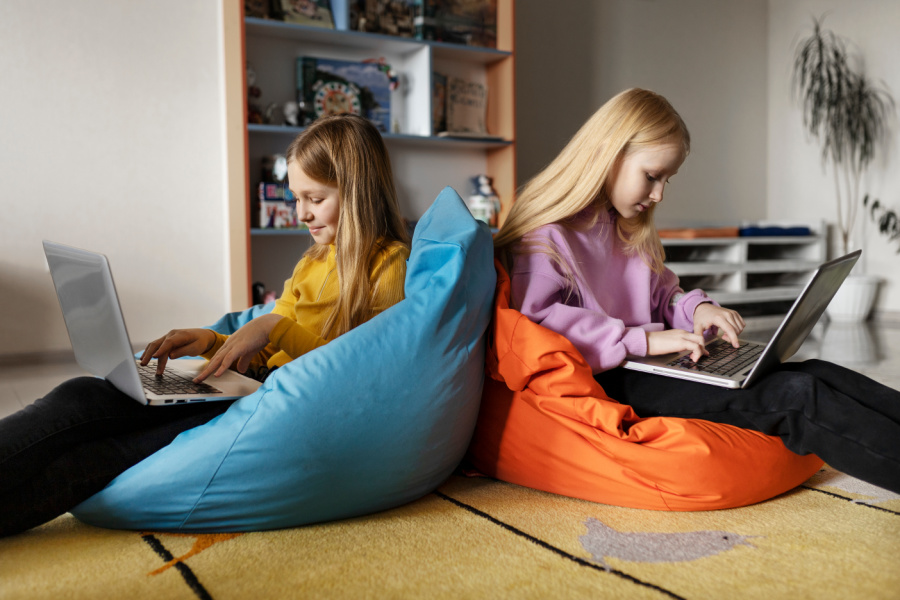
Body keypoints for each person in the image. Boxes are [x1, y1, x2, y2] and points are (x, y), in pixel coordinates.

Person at [0, 114, 411, 537]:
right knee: (81, 393)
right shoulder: (312, 261)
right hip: (253, 382)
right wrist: (213, 341)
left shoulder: (389, 265)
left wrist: (272, 326)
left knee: (108, 453)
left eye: (315, 198)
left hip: (279, 405)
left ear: (357, 190)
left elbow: (355, 371)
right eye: (295, 198)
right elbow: (266, 347)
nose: (301, 213)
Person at [494, 88, 900, 494]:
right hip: (620, 378)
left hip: (662, 360)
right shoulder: (546, 237)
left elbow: (665, 295)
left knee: (818, 371)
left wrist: (699, 310)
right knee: (799, 397)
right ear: (607, 154)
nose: (659, 194)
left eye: (666, 180)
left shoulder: (624, 229)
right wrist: (643, 340)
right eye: (652, 176)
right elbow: (537, 327)